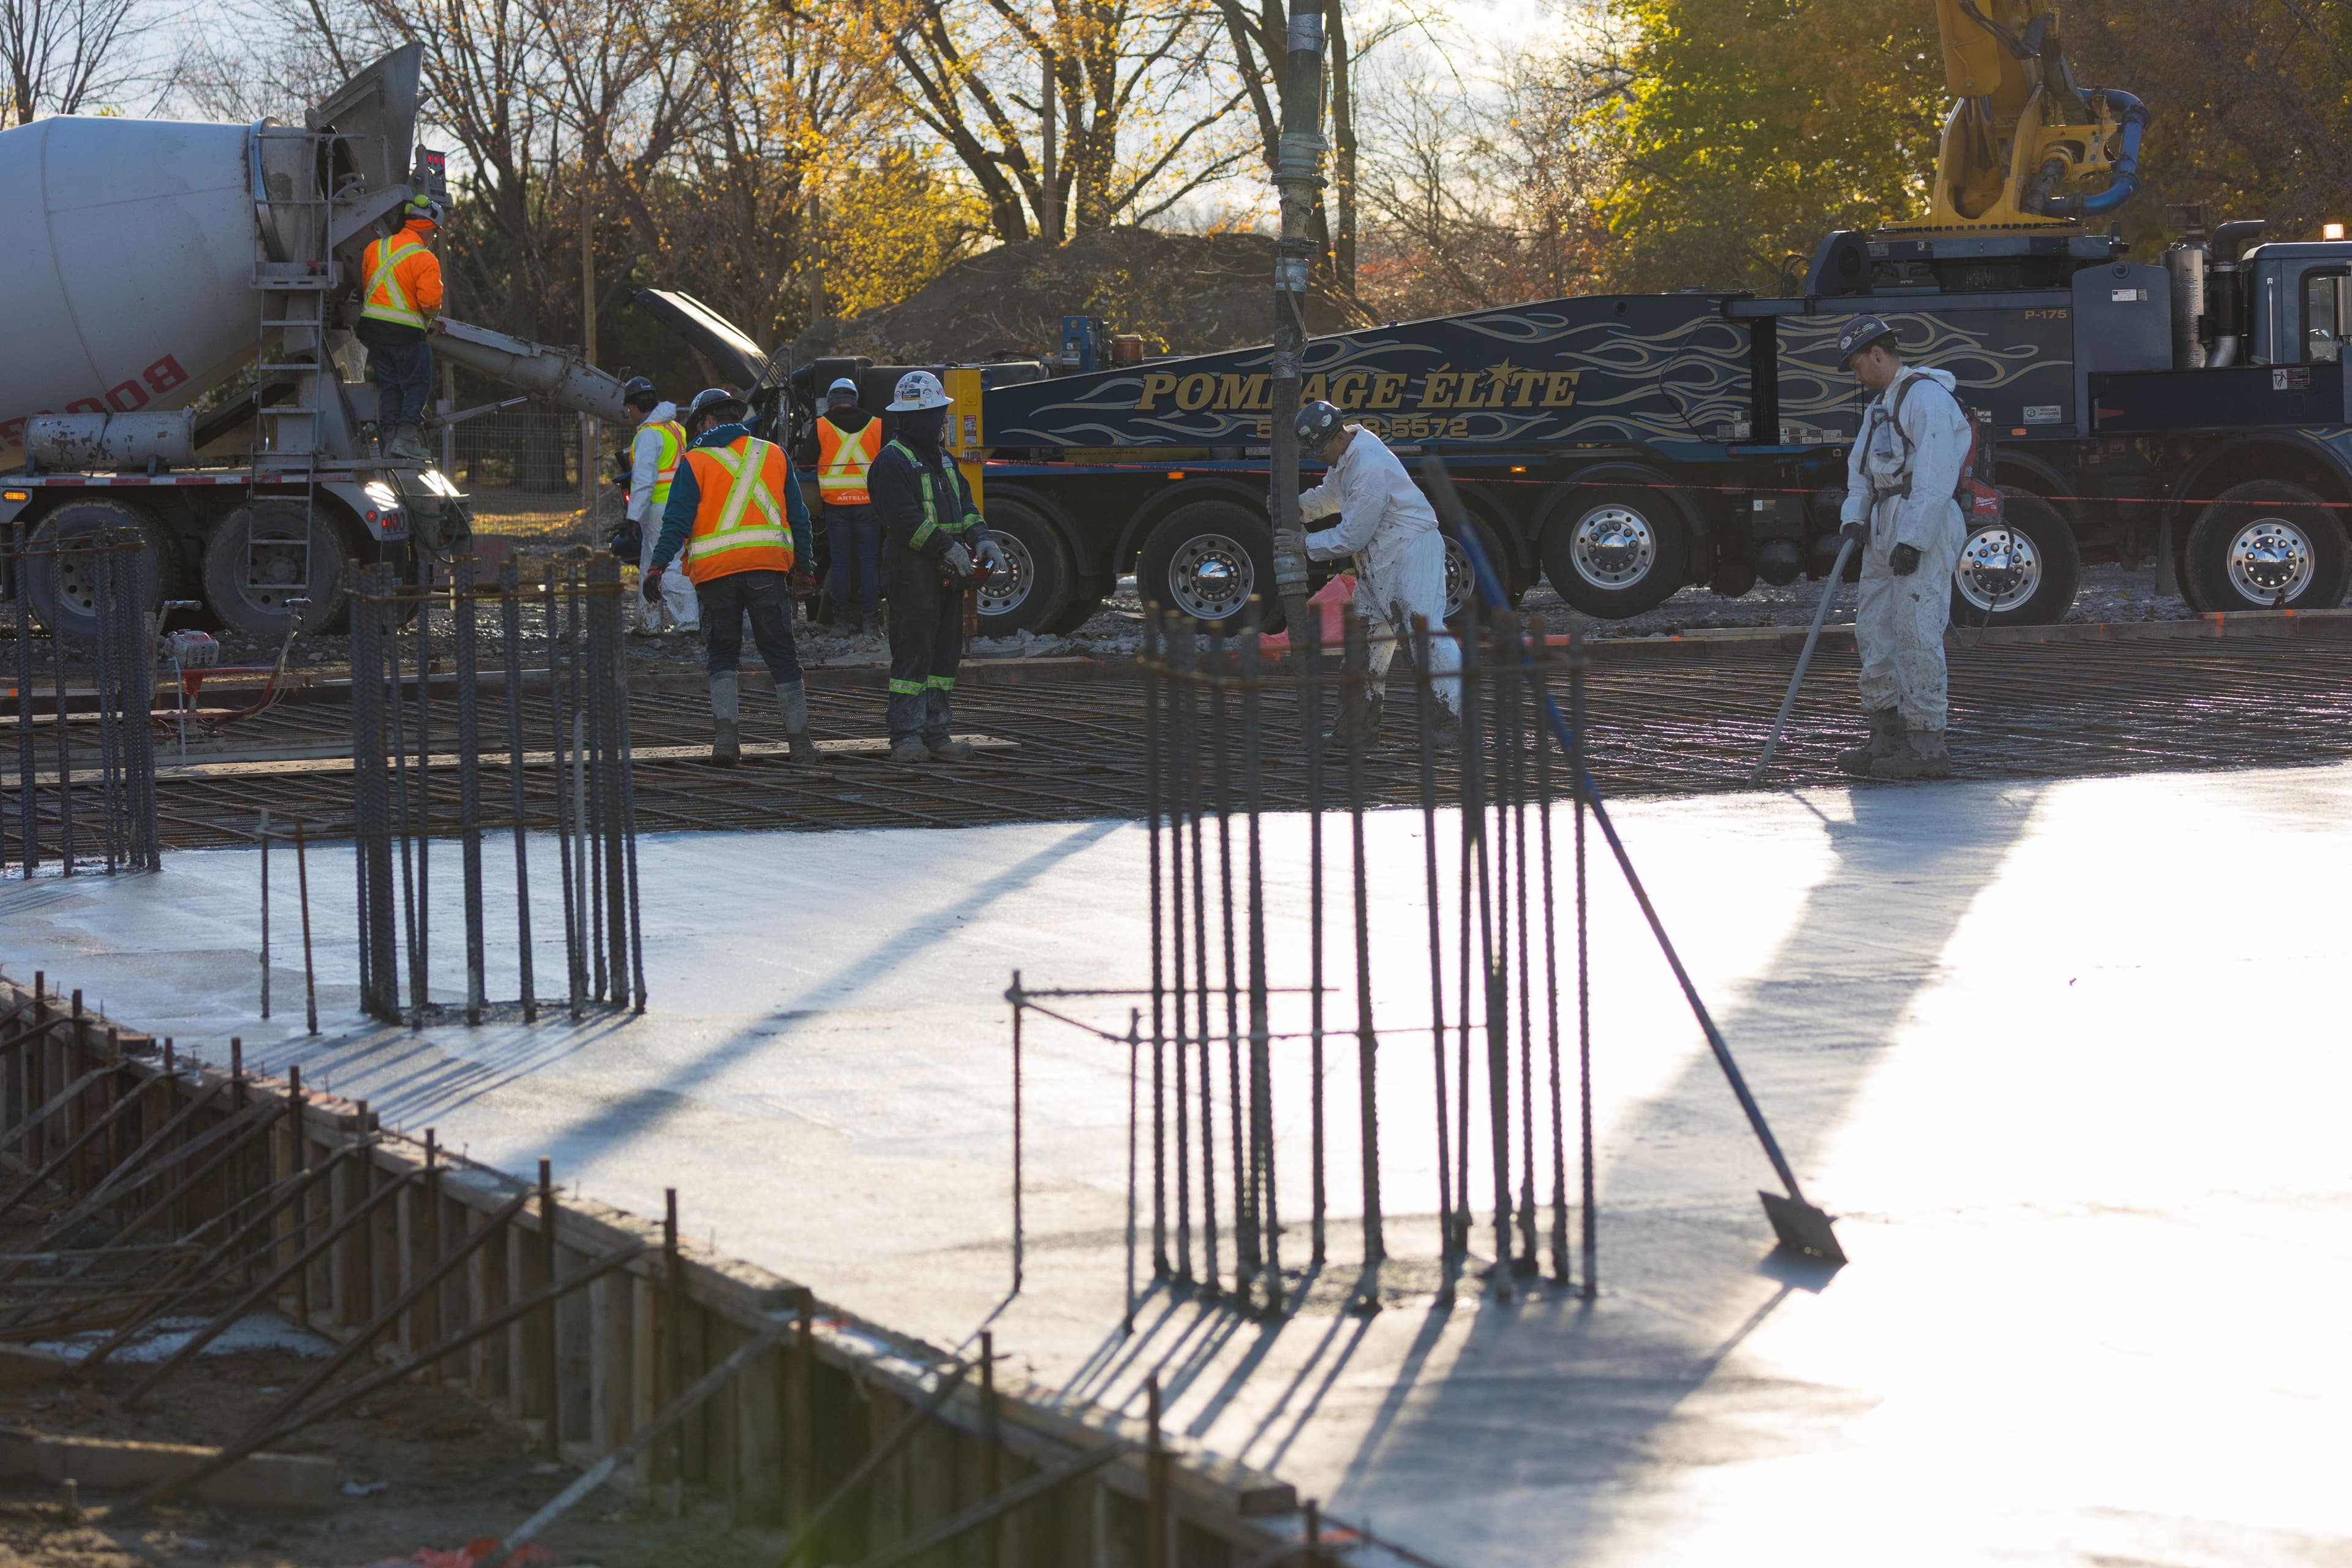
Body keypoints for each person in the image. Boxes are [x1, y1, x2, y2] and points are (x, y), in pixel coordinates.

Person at [643, 387, 820, 766]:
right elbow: (798, 516)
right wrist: (804, 566)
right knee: (783, 656)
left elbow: (676, 521)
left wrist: (657, 567)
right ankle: (801, 746)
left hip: (716, 575)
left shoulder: (696, 461)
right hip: (767, 570)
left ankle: (726, 744)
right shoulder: (774, 454)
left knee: (722, 656)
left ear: (707, 421)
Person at [1833, 314, 1967, 781]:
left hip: (1918, 519)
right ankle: (1884, 737)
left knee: (1916, 628)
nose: (1855, 374)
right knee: (1875, 629)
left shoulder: (1926, 397)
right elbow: (1861, 472)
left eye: (1856, 364)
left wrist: (1914, 539)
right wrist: (1854, 519)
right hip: (1883, 522)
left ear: (1877, 353)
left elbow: (1934, 473)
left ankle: (1928, 745)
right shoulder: (1880, 408)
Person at [1289, 400, 1463, 747]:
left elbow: (1353, 535)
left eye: (1320, 449)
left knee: (1423, 637)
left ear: (1338, 436)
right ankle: (1355, 732)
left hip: (1409, 553)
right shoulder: (1347, 457)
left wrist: (1304, 544)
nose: (1317, 457)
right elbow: (1333, 495)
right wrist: (1299, 507)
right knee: (1363, 648)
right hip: (1379, 559)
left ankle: (1453, 724)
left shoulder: (1369, 465)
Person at [869, 371, 1006, 763]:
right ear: (911, 419)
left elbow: (965, 507)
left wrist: (982, 537)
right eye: (934, 414)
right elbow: (904, 520)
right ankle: (906, 737)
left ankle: (936, 733)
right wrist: (948, 548)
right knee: (913, 653)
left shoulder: (945, 461)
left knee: (945, 656)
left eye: (941, 413)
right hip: (911, 575)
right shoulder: (891, 463)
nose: (941, 422)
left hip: (947, 576)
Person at [354, 195, 445, 460]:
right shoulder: (425, 259)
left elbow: (368, 288)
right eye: (435, 234)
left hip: (373, 333)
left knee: (390, 385)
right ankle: (406, 438)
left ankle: (392, 438)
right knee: (418, 382)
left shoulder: (375, 249)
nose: (434, 239)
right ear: (427, 228)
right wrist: (431, 318)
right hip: (404, 334)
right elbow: (429, 304)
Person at [620, 377, 698, 635]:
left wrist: (633, 516)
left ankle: (688, 622)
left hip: (659, 508)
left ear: (633, 406)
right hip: (675, 504)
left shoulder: (648, 435)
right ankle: (649, 624)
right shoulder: (674, 428)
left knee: (669, 564)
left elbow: (644, 480)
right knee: (651, 563)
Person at [815, 377, 886, 636]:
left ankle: (841, 623)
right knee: (869, 563)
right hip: (868, 504)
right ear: (854, 399)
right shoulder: (876, 425)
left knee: (841, 563)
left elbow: (805, 459)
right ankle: (870, 623)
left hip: (836, 505)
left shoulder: (821, 426)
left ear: (831, 401)